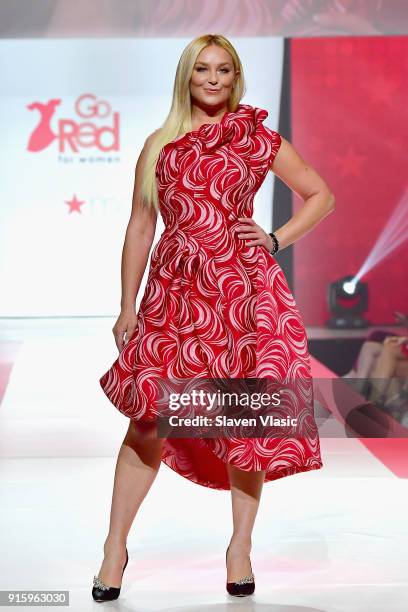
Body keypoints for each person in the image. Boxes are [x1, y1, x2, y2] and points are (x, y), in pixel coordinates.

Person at [92, 34, 335, 601]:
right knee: (149, 418)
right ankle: (113, 548)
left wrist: (276, 238)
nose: (213, 79)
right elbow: (139, 227)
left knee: (243, 423)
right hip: (174, 298)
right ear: (187, 76)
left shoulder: (257, 139)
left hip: (241, 296)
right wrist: (127, 304)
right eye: (202, 69)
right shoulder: (160, 145)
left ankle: (240, 548)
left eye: (224, 69)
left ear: (235, 77)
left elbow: (320, 194)